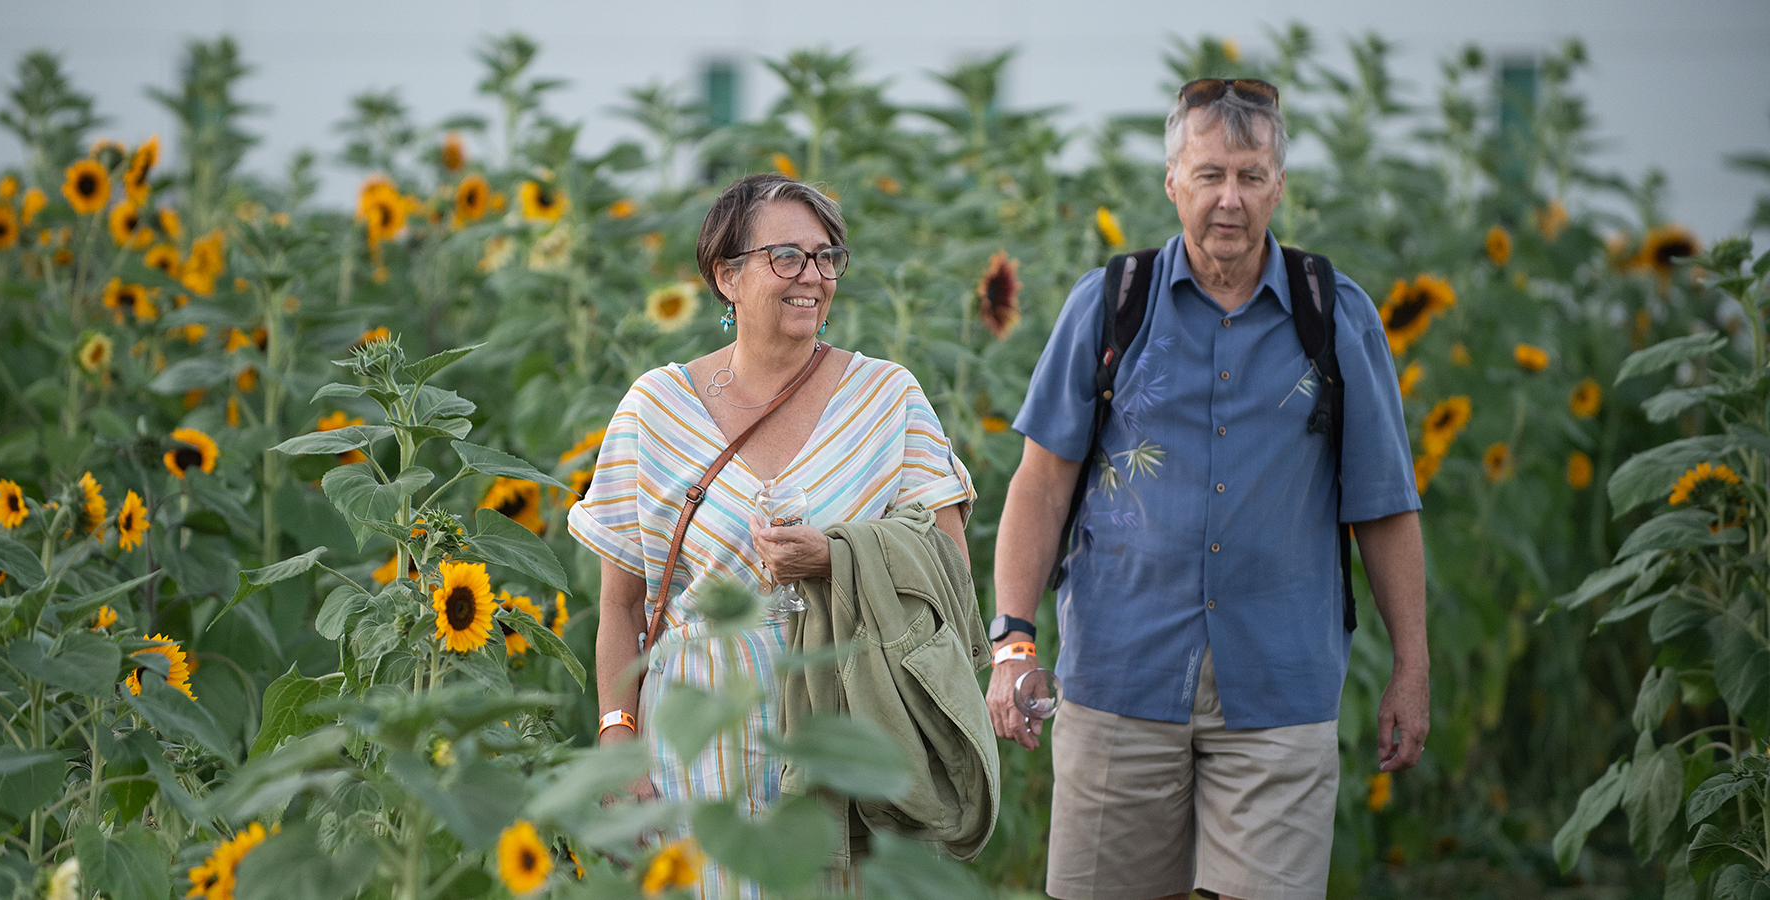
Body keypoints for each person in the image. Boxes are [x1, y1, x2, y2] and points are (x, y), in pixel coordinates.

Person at [983, 78, 1429, 900]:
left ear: (1279, 187)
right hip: (1120, 672)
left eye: (1252, 176)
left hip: (1281, 685)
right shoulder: (1111, 304)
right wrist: (1013, 643)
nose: (1230, 199)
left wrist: (1412, 664)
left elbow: (1384, 503)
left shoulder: (1334, 314)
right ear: (1172, 182)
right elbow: (1040, 487)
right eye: (1210, 174)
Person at [568, 173, 975, 899]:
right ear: (727, 276)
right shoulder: (655, 409)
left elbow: (948, 567)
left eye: (827, 258)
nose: (813, 278)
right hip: (695, 741)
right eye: (786, 257)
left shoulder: (888, 399)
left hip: (846, 729)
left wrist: (837, 557)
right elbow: (622, 608)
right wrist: (616, 737)